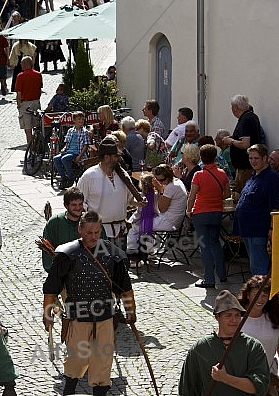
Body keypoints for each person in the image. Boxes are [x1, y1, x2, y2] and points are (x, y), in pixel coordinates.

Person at [43, 211, 136, 396]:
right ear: (80, 229)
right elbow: (52, 288)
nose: (93, 237)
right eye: (89, 233)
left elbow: (125, 286)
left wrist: (130, 310)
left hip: (105, 319)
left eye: (96, 232)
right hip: (77, 319)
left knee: (102, 364)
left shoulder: (111, 254)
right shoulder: (66, 254)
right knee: (75, 362)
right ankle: (68, 391)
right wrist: (47, 314)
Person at [179, 290, 269, 396]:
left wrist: (225, 378)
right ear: (217, 317)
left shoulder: (253, 347)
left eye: (237, 315)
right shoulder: (200, 349)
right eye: (228, 315)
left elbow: (259, 386)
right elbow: (187, 389)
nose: (234, 320)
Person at [237, 275, 279, 396]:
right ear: (248, 295)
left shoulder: (275, 319)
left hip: (267, 379)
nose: (260, 300)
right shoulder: (235, 318)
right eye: (256, 295)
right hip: (240, 379)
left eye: (264, 296)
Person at [233, 144, 279, 275]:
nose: (253, 161)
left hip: (259, 229)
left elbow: (274, 206)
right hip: (247, 229)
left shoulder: (271, 178)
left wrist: (271, 228)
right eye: (250, 158)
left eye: (256, 158)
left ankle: (262, 294)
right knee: (254, 265)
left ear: (265, 158)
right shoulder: (253, 175)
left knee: (259, 267)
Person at [77, 136, 137, 242]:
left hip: (121, 232)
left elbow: (130, 200)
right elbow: (80, 203)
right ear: (106, 158)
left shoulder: (123, 176)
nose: (119, 159)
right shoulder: (89, 176)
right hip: (98, 234)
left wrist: (140, 202)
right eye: (116, 156)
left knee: (121, 259)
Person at [186, 145, 230, 288]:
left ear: (201, 157)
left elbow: (192, 196)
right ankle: (222, 275)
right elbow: (227, 194)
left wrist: (188, 210)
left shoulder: (198, 175)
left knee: (204, 246)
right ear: (215, 157)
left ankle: (209, 279)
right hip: (216, 212)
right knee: (216, 243)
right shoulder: (222, 173)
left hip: (200, 212)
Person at [127, 164, 187, 259]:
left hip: (169, 221)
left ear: (170, 175)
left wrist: (160, 191)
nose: (160, 182)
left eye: (162, 180)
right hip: (174, 219)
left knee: (134, 227)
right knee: (146, 221)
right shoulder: (177, 181)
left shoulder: (171, 187)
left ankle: (133, 255)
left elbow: (162, 209)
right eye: (158, 180)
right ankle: (150, 250)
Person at [223, 94, 263, 193]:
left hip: (246, 167)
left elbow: (245, 144)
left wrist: (230, 141)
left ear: (235, 107)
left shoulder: (246, 119)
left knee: (242, 194)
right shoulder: (250, 117)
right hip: (244, 166)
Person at [41, 187, 85, 272]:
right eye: (74, 205)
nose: (78, 208)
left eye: (80, 204)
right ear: (66, 205)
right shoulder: (54, 223)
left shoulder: (90, 221)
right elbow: (47, 254)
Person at [53, 111, 91, 190]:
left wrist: (80, 156)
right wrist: (64, 149)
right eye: (79, 119)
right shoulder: (70, 130)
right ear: (74, 120)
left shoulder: (84, 132)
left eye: (82, 119)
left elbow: (86, 145)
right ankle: (64, 177)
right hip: (69, 151)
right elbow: (67, 143)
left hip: (77, 152)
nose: (81, 121)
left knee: (64, 159)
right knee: (56, 159)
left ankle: (71, 176)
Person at [15, 56, 42, 146]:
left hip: (25, 104)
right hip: (36, 102)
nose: (20, 65)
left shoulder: (20, 76)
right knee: (37, 127)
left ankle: (31, 148)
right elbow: (40, 89)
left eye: (22, 63)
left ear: (25, 64)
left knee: (28, 128)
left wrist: (18, 104)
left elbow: (19, 93)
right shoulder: (38, 74)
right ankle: (37, 146)